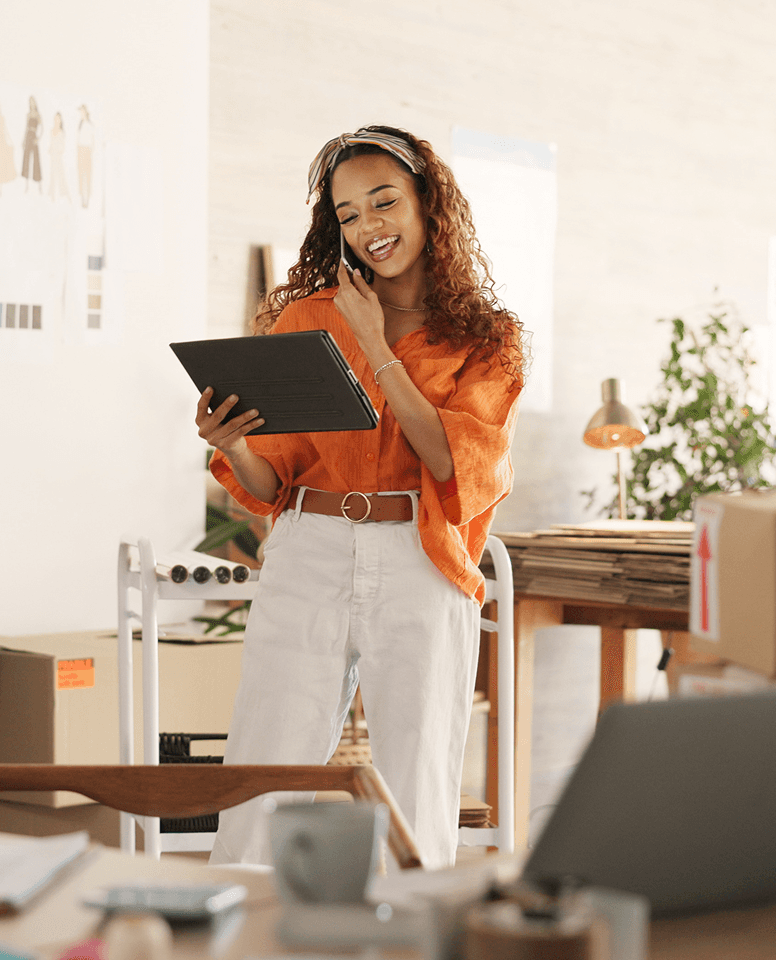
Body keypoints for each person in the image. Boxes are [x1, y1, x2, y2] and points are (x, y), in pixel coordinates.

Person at [198, 125, 527, 869]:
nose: (369, 227)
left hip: (420, 556)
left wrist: (376, 346)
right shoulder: (305, 321)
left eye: (383, 202)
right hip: (309, 546)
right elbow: (270, 484)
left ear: (427, 203)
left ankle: (408, 937)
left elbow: (452, 456)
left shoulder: (486, 339)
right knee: (266, 761)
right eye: (348, 215)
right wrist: (233, 444)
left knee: (417, 772)